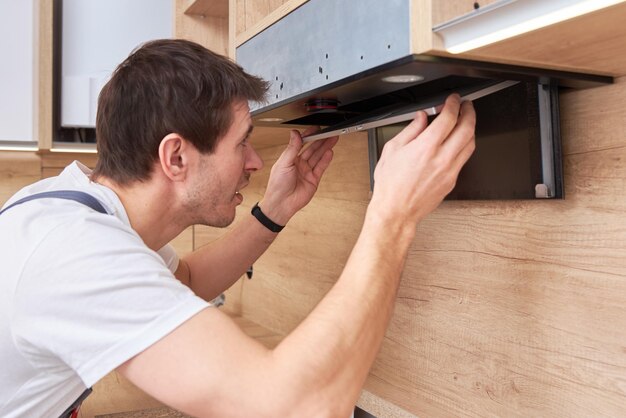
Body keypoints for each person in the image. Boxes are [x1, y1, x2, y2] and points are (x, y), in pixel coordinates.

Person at [0, 39, 475, 417]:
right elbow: (296, 409)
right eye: (242, 143)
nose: (254, 161)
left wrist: (274, 211)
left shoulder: (75, 209)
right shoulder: (75, 253)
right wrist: (393, 214)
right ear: (176, 157)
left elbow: (182, 281)